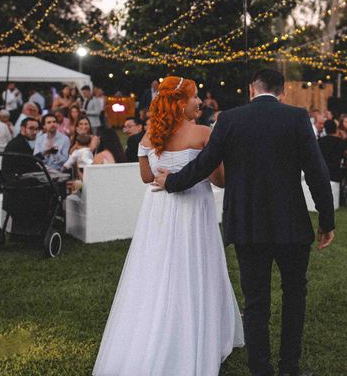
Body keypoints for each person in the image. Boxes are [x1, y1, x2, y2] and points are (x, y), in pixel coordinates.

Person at [154, 69, 335, 376]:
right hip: (291, 223)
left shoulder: (230, 119)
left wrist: (172, 182)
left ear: (252, 89)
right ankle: (290, 368)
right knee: (294, 295)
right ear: (282, 92)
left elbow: (204, 164)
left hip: (248, 225)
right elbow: (317, 172)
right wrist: (326, 221)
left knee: (255, 302)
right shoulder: (296, 117)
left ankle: (260, 370)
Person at [93, 76, 245, 376]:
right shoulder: (203, 133)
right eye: (195, 97)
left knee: (158, 270)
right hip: (193, 211)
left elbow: (147, 178)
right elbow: (220, 180)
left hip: (159, 213)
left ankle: (155, 326)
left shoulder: (149, 136)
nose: (199, 102)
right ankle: (196, 333)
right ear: (179, 102)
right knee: (196, 268)